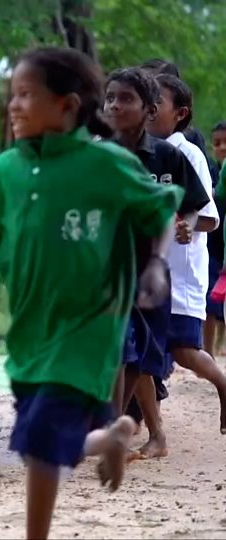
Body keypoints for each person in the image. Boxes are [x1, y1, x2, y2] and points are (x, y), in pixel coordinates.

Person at [0, 47, 182, 540]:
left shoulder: (104, 164)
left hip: (91, 325)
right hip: (30, 330)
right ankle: (109, 437)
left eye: (26, 95)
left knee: (39, 443)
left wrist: (153, 265)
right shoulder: (7, 171)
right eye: (11, 96)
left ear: (66, 105)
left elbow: (161, 209)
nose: (14, 106)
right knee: (38, 437)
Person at [103, 67, 210, 460]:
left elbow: (195, 208)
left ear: (149, 109)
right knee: (117, 348)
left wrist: (187, 228)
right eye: (110, 97)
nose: (115, 104)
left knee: (143, 357)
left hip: (153, 273)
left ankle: (150, 433)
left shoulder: (168, 156)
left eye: (126, 98)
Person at [149, 74, 226, 438]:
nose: (148, 108)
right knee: (138, 352)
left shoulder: (188, 153)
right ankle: (153, 430)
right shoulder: (139, 149)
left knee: (183, 350)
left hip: (180, 270)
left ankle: (222, 383)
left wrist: (188, 225)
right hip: (145, 270)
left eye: (156, 102)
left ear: (179, 113)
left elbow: (209, 215)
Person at [205, 121, 226, 356]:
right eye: (217, 143)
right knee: (209, 301)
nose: (221, 148)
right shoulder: (209, 170)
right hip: (213, 245)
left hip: (224, 246)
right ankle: (208, 351)